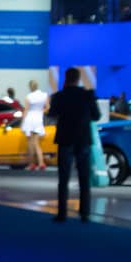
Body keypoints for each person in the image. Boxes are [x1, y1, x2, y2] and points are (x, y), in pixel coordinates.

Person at [49, 66, 100, 223]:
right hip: (83, 139)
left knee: (63, 178)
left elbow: (52, 114)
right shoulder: (87, 95)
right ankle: (85, 213)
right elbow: (96, 115)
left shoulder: (59, 96)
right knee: (84, 178)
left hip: (65, 139)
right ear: (78, 79)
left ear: (66, 78)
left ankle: (62, 213)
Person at [21, 77, 49, 172]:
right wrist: (40, 111)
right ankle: (41, 163)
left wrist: (22, 123)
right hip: (38, 119)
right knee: (36, 143)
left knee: (30, 143)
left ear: (30, 87)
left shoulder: (28, 96)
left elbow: (26, 110)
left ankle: (31, 164)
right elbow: (47, 108)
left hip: (29, 119)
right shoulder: (44, 95)